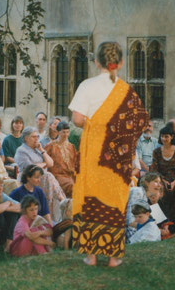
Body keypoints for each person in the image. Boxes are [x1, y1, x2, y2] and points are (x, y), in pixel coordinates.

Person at [68, 41, 148, 267]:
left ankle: (91, 255)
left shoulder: (86, 86)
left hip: (93, 150)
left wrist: (98, 127)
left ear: (96, 62)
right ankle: (114, 257)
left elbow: (77, 119)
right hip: (118, 155)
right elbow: (139, 122)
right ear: (121, 63)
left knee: (90, 197)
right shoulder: (127, 91)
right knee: (114, 199)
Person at [14, 126, 65, 220]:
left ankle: (60, 204)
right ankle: (62, 202)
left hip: (42, 178)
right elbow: (30, 168)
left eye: (37, 136)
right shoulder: (21, 150)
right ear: (26, 138)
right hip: (28, 178)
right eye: (34, 137)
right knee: (48, 176)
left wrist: (42, 151)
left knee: (48, 176)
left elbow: (51, 163)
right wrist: (43, 164)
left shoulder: (38, 150)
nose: (37, 139)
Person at [149, 126, 175, 225]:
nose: (163, 139)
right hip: (161, 180)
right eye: (162, 136)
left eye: (166, 136)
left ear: (172, 137)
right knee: (158, 192)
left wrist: (174, 182)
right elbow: (154, 169)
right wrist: (163, 181)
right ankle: (162, 221)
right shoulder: (156, 152)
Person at [45, 121, 78, 197]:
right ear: (58, 132)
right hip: (58, 176)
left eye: (67, 132)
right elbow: (44, 161)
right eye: (63, 132)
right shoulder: (51, 146)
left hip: (72, 175)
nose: (66, 135)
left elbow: (76, 163)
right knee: (73, 186)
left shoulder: (71, 146)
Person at [125, 173, 162, 239]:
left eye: (160, 182)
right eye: (156, 181)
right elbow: (129, 220)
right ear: (146, 183)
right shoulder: (138, 192)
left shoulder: (145, 197)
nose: (159, 185)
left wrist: (155, 202)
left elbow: (159, 220)